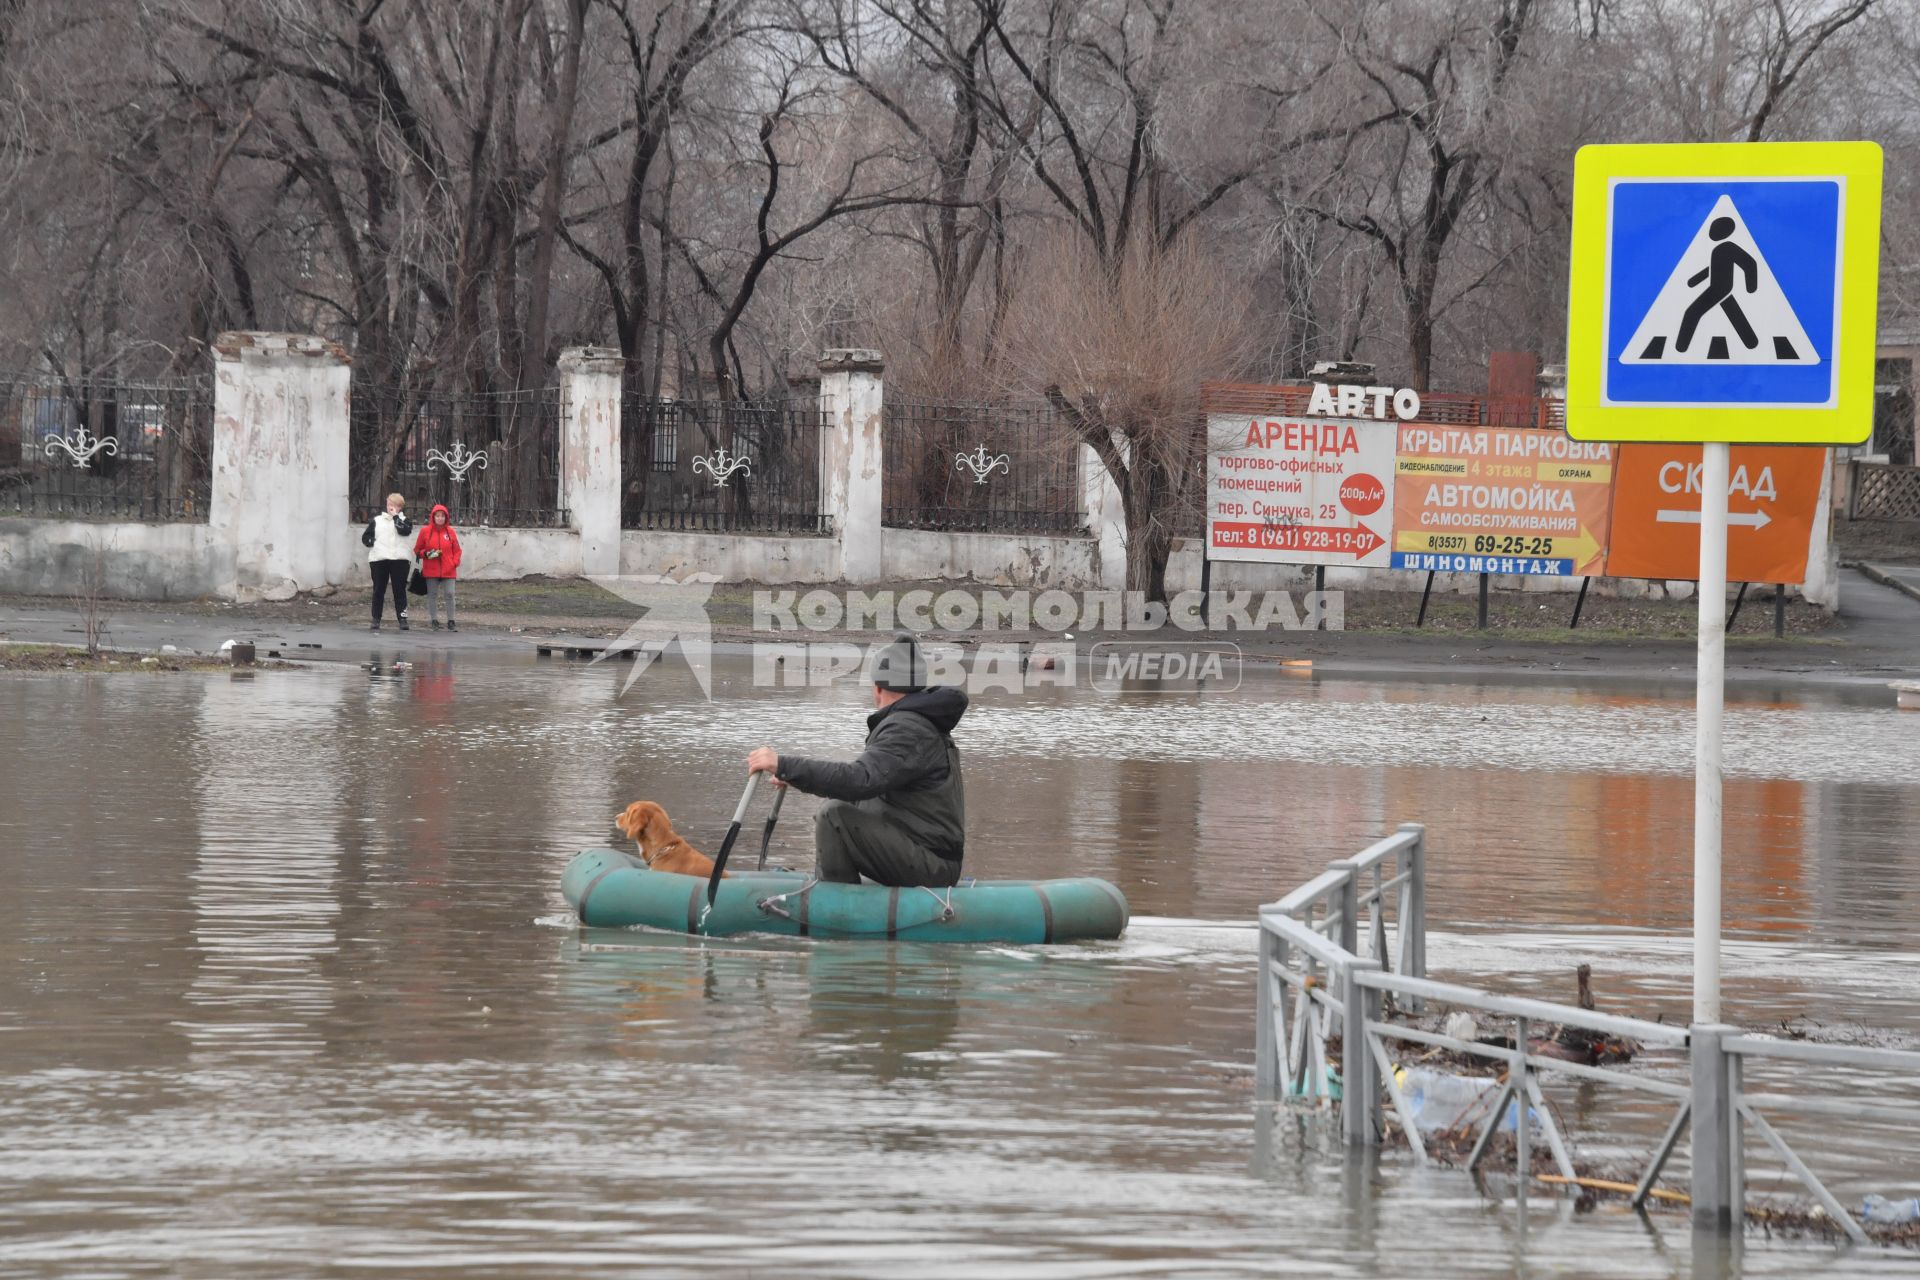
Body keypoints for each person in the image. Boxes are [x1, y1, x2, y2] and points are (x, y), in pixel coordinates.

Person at [746, 633, 967, 887]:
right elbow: (864, 791)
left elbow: (859, 779)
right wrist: (793, 776)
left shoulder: (907, 729)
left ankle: (837, 908)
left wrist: (784, 764)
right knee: (840, 805)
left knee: (834, 816)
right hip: (927, 855)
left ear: (878, 687)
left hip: (932, 865)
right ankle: (834, 888)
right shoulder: (914, 721)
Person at [360, 493, 413, 631]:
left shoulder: (405, 520)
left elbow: (404, 531)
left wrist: (396, 517)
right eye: (389, 504)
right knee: (378, 589)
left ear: (400, 507)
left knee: (399, 590)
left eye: (394, 505)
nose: (390, 507)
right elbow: (366, 537)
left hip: (400, 560)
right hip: (379, 559)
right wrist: (372, 543)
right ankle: (376, 618)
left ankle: (402, 619)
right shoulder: (377, 520)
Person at [413, 503, 463, 631]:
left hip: (449, 569)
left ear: (446, 518)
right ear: (433, 517)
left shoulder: (450, 532)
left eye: (442, 516)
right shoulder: (425, 531)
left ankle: (451, 621)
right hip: (431, 569)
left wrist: (454, 562)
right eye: (437, 516)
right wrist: (427, 554)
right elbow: (417, 550)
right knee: (432, 595)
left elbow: (457, 550)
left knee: (450, 594)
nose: (440, 518)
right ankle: (434, 620)